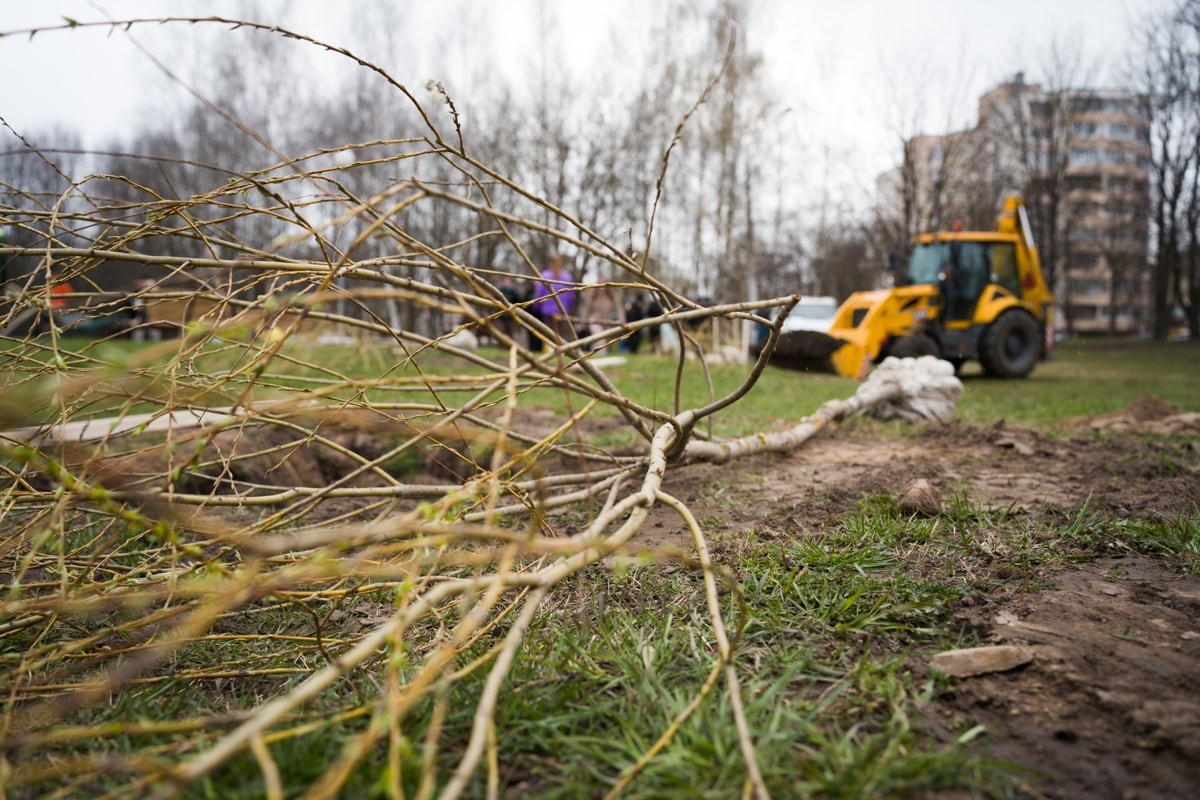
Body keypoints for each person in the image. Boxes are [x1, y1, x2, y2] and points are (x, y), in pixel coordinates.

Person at [531, 253, 578, 349]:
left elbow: (539, 294)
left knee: (549, 331)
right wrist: (567, 308)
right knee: (558, 332)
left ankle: (551, 350)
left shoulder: (545, 276)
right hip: (560, 310)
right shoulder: (567, 277)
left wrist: (536, 307)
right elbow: (571, 296)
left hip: (548, 310)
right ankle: (561, 349)